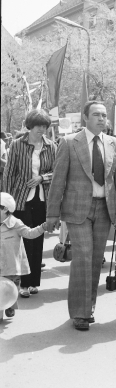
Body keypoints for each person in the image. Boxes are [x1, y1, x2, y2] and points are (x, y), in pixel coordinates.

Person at [46, 101, 116, 330]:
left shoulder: (115, 144)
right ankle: (79, 313)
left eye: (104, 115)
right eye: (96, 115)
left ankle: (88, 307)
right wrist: (52, 214)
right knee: (83, 257)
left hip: (104, 209)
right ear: (85, 118)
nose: (102, 119)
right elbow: (58, 180)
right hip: (77, 209)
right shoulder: (70, 142)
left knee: (95, 258)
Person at [4, 109, 56, 297]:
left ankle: (34, 282)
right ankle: (23, 284)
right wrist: (7, 203)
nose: (41, 130)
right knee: (24, 241)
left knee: (38, 239)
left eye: (44, 126)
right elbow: (9, 173)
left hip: (42, 198)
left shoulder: (51, 146)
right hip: (20, 199)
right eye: (38, 126)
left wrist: (42, 178)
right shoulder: (17, 145)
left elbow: (56, 172)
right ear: (30, 126)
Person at [1, 192, 47, 319]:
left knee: (10, 287)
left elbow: (30, 233)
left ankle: (10, 305)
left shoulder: (15, 223)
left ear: (5, 209)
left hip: (11, 264)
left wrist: (43, 227)